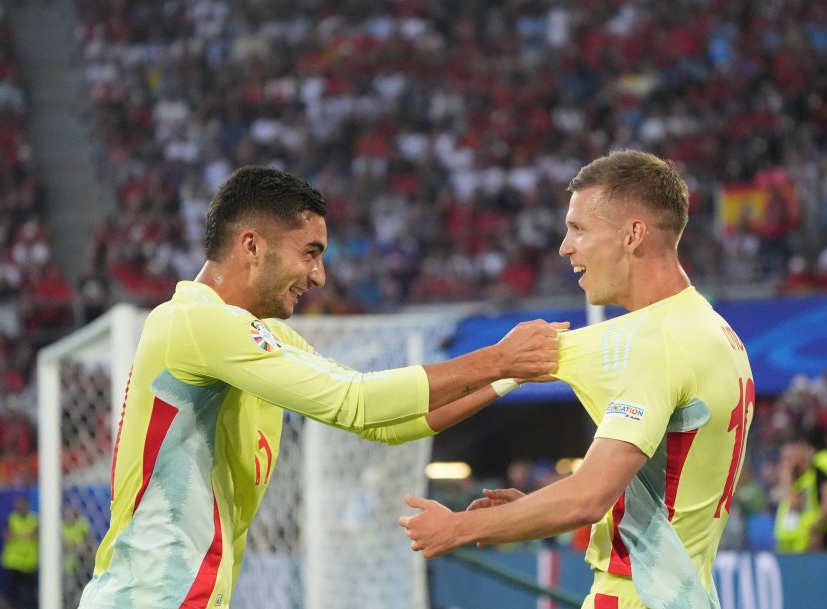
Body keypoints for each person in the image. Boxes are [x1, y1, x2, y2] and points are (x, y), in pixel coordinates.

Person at [77, 166, 561, 609]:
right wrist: (497, 356)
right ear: (251, 245)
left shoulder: (264, 337)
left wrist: (508, 376)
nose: (318, 275)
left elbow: (385, 424)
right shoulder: (195, 322)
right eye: (309, 253)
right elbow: (358, 403)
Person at [401, 150, 755, 609]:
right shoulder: (714, 331)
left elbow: (586, 498)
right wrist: (527, 511)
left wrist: (457, 528)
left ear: (633, 235)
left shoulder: (658, 344)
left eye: (579, 229)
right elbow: (668, 488)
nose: (565, 247)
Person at [0, 494, 39, 609]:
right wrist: (26, 535)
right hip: (13, 563)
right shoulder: (11, 519)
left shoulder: (34, 519)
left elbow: (35, 535)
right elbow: (7, 537)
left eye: (23, 504)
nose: (21, 506)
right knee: (10, 596)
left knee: (30, 596)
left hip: (29, 565)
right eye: (19, 504)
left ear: (27, 505)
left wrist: (16, 535)